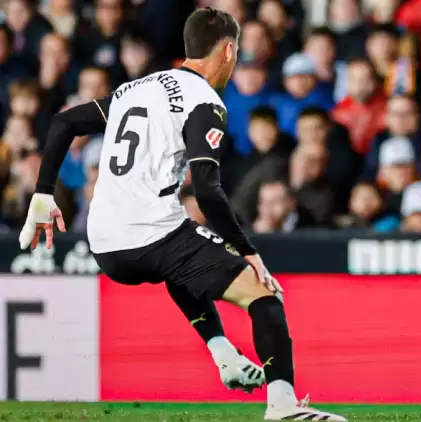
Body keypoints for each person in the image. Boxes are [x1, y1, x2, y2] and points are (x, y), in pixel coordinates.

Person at [17, 7, 346, 422]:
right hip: (151, 233)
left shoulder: (133, 89)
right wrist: (248, 250)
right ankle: (281, 405)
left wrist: (43, 193)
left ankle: (223, 353)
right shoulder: (205, 103)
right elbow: (208, 190)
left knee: (182, 255)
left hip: (103, 242)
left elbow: (64, 122)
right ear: (228, 51)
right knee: (265, 297)